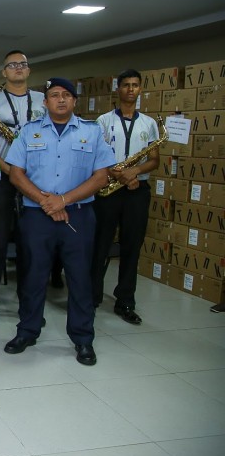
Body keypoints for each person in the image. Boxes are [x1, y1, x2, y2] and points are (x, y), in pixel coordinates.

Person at [4, 78, 114, 366]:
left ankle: (83, 339)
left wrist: (62, 201)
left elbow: (101, 177)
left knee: (80, 279)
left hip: (78, 215)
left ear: (74, 101)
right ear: (46, 101)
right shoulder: (29, 132)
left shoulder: (92, 132)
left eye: (66, 95)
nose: (61, 100)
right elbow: (16, 174)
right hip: (37, 216)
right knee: (33, 278)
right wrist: (46, 202)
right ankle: (27, 331)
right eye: (54, 95)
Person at [0, 50, 47, 326]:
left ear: (28, 70)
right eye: (12, 65)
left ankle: (29, 308)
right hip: (4, 179)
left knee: (31, 247)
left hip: (38, 178)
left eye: (23, 64)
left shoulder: (44, 100)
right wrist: (11, 171)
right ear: (4, 71)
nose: (18, 68)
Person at [91, 69, 159, 324]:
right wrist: (118, 174)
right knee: (100, 245)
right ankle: (92, 295)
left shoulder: (149, 124)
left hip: (136, 191)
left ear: (140, 89)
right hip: (108, 189)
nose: (131, 89)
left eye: (135, 85)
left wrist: (134, 172)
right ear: (117, 89)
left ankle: (125, 301)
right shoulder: (103, 121)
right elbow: (96, 156)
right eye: (126, 85)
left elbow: (154, 160)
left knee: (132, 247)